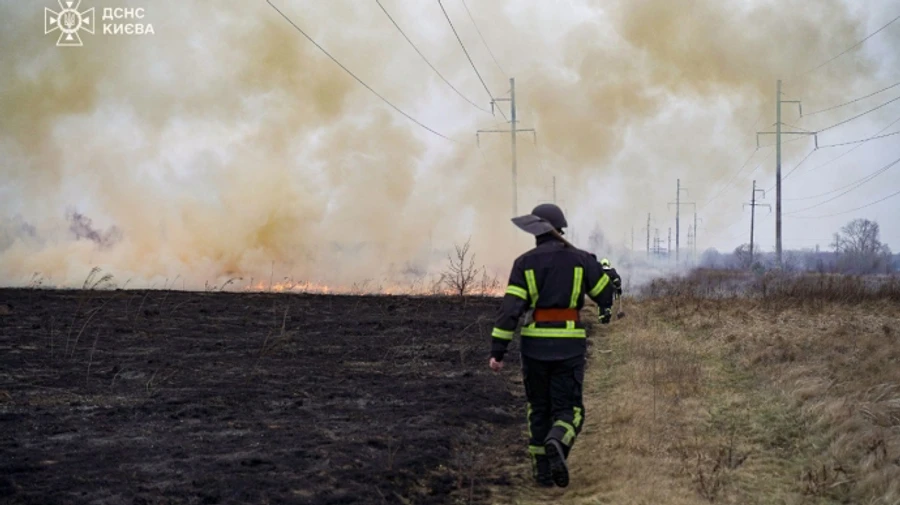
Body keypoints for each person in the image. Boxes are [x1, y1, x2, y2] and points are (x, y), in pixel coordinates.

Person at [488, 203, 614, 488]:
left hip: (534, 347)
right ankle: (557, 441)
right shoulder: (581, 260)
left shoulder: (524, 263)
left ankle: (542, 474)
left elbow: (509, 312)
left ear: (537, 233)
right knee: (570, 409)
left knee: (538, 408)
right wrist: (600, 267)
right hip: (569, 344)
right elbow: (606, 297)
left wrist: (498, 351)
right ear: (561, 230)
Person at [592, 256, 622, 324]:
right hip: (609, 291)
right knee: (608, 304)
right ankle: (607, 313)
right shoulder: (612, 271)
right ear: (608, 264)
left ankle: (602, 318)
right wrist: (619, 289)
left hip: (600, 291)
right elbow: (617, 281)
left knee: (601, 305)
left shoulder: (598, 271)